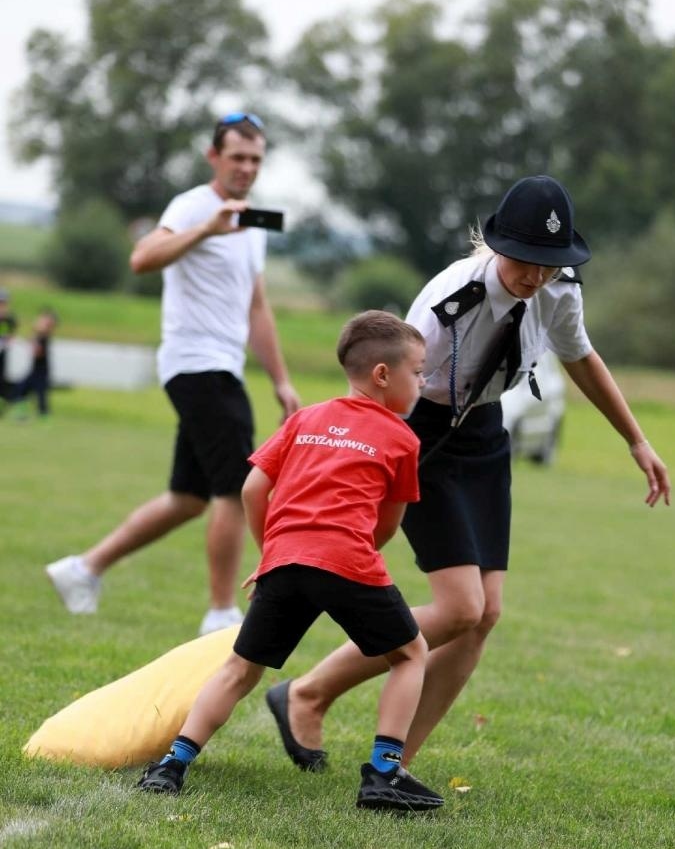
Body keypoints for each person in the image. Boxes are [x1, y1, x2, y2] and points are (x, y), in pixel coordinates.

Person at [264, 175, 671, 771]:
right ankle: (308, 693)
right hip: (417, 432)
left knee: (483, 616)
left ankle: (397, 766)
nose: (536, 276)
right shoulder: (449, 299)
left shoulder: (559, 289)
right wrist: (353, 467)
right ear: (500, 245)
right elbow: (378, 390)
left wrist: (636, 439)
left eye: (549, 263)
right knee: (459, 608)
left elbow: (580, 356)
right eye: (525, 260)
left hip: (484, 433)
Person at [135, 310, 444, 813]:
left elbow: (253, 488)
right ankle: (385, 772)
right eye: (418, 371)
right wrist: (344, 553)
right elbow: (386, 525)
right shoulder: (403, 439)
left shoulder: (305, 419)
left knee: (240, 668)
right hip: (348, 560)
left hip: (284, 560)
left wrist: (272, 552)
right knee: (411, 654)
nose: (423, 381)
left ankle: (172, 764)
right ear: (383, 375)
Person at [45, 111, 300, 635]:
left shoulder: (252, 225)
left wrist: (280, 379)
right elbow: (142, 258)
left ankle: (83, 570)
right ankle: (221, 614)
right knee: (238, 487)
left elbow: (256, 307)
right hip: (196, 364)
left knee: (189, 498)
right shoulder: (193, 206)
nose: (247, 168)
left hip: (220, 366)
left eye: (255, 159)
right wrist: (206, 229)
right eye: (237, 157)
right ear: (214, 157)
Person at [13, 308, 58, 416]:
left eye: (42, 322)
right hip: (35, 370)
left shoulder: (44, 338)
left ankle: (44, 416)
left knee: (40, 395)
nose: (38, 323)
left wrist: (32, 343)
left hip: (41, 372)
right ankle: (22, 413)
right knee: (21, 389)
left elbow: (38, 353)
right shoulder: (39, 336)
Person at [0, 288, 18, 405]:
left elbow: (9, 335)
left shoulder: (9, 319)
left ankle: (5, 400)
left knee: (2, 376)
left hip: (2, 351)